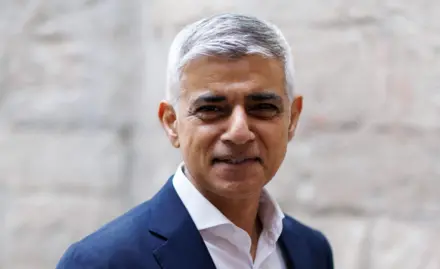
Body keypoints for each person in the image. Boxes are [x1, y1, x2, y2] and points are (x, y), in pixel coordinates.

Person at [57, 13, 334, 269]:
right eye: (211, 109)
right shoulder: (102, 262)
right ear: (171, 122)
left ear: (292, 119)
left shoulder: (310, 251)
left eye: (262, 106)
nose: (239, 132)